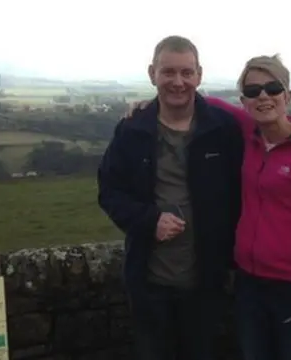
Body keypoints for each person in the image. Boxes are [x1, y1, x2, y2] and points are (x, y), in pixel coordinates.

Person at [126, 54, 291, 360]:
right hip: (248, 284)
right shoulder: (247, 133)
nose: (264, 97)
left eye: (273, 88)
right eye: (253, 91)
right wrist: (149, 106)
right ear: (244, 101)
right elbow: (203, 102)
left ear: (289, 95)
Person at [97, 35, 244, 360]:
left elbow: (243, 191)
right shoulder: (132, 130)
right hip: (149, 285)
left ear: (199, 75)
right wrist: (149, 221)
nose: (178, 82)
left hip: (206, 284)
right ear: (153, 74)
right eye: (168, 72)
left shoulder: (224, 129)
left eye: (186, 73)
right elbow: (109, 191)